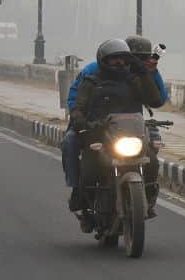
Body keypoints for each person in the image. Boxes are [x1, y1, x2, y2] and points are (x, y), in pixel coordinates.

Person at [63, 38, 163, 226]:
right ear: (103, 60)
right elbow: (78, 107)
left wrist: (143, 72)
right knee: (87, 164)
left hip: (130, 134)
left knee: (152, 161)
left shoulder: (134, 80)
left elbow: (155, 100)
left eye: (123, 59)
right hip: (100, 134)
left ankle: (149, 198)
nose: (119, 63)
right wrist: (83, 125)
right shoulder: (91, 80)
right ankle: (81, 194)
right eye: (114, 59)